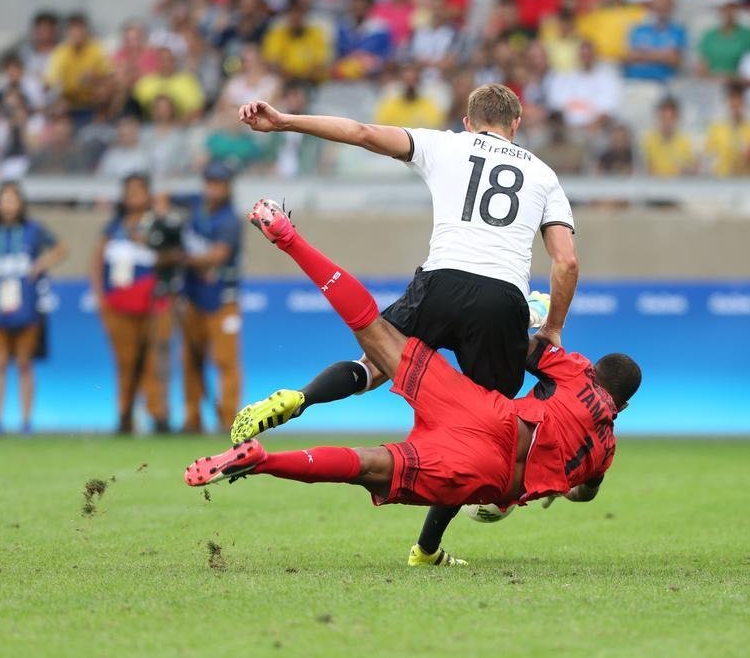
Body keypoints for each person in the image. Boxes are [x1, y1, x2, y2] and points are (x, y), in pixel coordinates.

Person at [231, 83, 579, 566]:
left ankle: (300, 397)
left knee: (373, 365)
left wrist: (284, 120)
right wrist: (553, 330)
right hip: (502, 301)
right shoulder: (543, 175)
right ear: (516, 125)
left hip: (441, 283)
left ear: (467, 120)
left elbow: (361, 132)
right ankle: (426, 550)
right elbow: (566, 263)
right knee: (480, 434)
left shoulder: (445, 145)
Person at [184, 200, 641, 565]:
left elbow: (528, 350)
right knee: (370, 465)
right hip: (489, 469)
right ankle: (263, 462)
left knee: (373, 334)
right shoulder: (606, 450)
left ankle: (290, 241)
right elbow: (585, 492)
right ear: (620, 408)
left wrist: (536, 318)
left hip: (486, 410)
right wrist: (554, 487)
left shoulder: (577, 370)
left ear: (597, 371)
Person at [0, 181, 66, 435]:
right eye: (4, 199)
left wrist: (40, 265)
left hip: (27, 305)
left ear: (21, 203)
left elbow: (61, 248)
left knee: (24, 363)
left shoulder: (33, 230)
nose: (8, 204)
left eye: (13, 199)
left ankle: (26, 421)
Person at [91, 173, 171, 434]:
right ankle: (125, 415)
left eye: (139, 191)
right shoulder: (113, 227)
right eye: (129, 191)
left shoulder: (158, 224)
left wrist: (148, 238)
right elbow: (97, 262)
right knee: (125, 362)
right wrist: (101, 298)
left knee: (153, 361)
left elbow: (171, 256)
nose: (134, 196)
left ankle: (158, 415)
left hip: (152, 303)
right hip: (119, 304)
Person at [180, 163, 243, 432]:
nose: (213, 189)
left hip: (223, 299)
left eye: (219, 184)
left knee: (225, 361)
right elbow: (161, 198)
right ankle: (192, 418)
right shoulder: (196, 209)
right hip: (194, 296)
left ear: (228, 188)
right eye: (209, 183)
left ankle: (228, 420)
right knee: (190, 360)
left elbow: (218, 255)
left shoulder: (230, 219)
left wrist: (180, 258)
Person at [640, 96, 696, 177]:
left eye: (671, 118)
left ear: (677, 118)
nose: (667, 122)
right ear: (658, 116)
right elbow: (645, 169)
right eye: (663, 118)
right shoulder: (647, 140)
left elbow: (690, 168)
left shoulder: (685, 141)